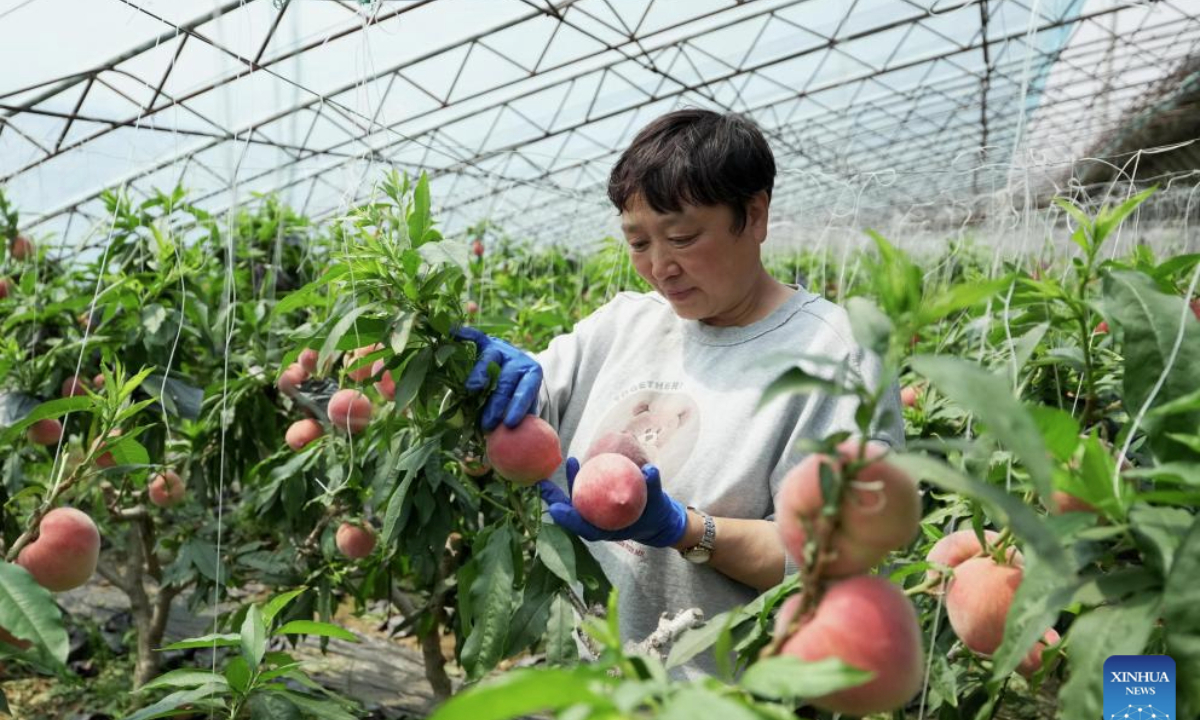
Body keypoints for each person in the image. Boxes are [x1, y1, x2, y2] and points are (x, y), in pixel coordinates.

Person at [459, 109, 903, 678]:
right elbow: (522, 415)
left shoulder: (838, 356)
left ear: (756, 214)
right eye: (639, 242)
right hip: (585, 681)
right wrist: (476, 376)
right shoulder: (622, 324)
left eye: (683, 237)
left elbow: (837, 563)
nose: (660, 267)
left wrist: (687, 530)